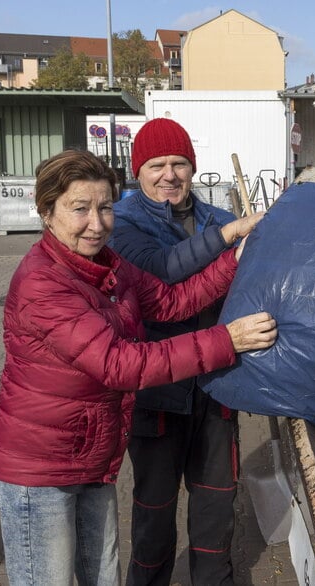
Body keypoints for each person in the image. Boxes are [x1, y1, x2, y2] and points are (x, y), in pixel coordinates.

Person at [0, 149, 277, 586]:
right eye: (79, 209)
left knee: (102, 577)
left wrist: (234, 259)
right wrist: (227, 340)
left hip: (90, 457)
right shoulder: (43, 283)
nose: (96, 224)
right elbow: (121, 365)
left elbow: (171, 301)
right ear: (46, 212)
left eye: (104, 208)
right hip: (38, 471)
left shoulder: (109, 267)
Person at [109, 118, 263, 586]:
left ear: (192, 168)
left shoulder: (217, 218)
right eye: (157, 164)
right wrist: (234, 236)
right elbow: (164, 271)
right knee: (154, 512)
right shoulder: (122, 223)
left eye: (179, 163)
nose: (169, 174)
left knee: (216, 504)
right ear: (139, 171)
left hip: (216, 386)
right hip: (158, 391)